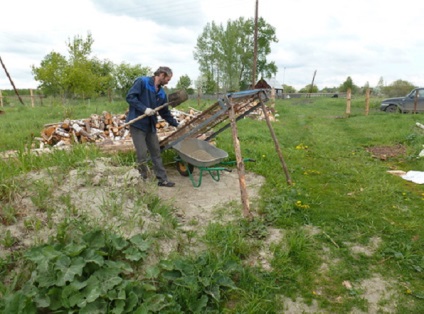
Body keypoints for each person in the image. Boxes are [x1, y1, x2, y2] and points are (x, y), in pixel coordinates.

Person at [125, 66, 181, 187]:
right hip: (138, 124)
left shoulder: (161, 93)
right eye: (167, 79)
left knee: (156, 152)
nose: (168, 82)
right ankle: (142, 181)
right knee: (142, 155)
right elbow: (130, 97)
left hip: (150, 126)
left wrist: (176, 124)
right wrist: (144, 109)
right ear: (161, 75)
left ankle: (162, 179)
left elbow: (165, 112)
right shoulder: (142, 82)